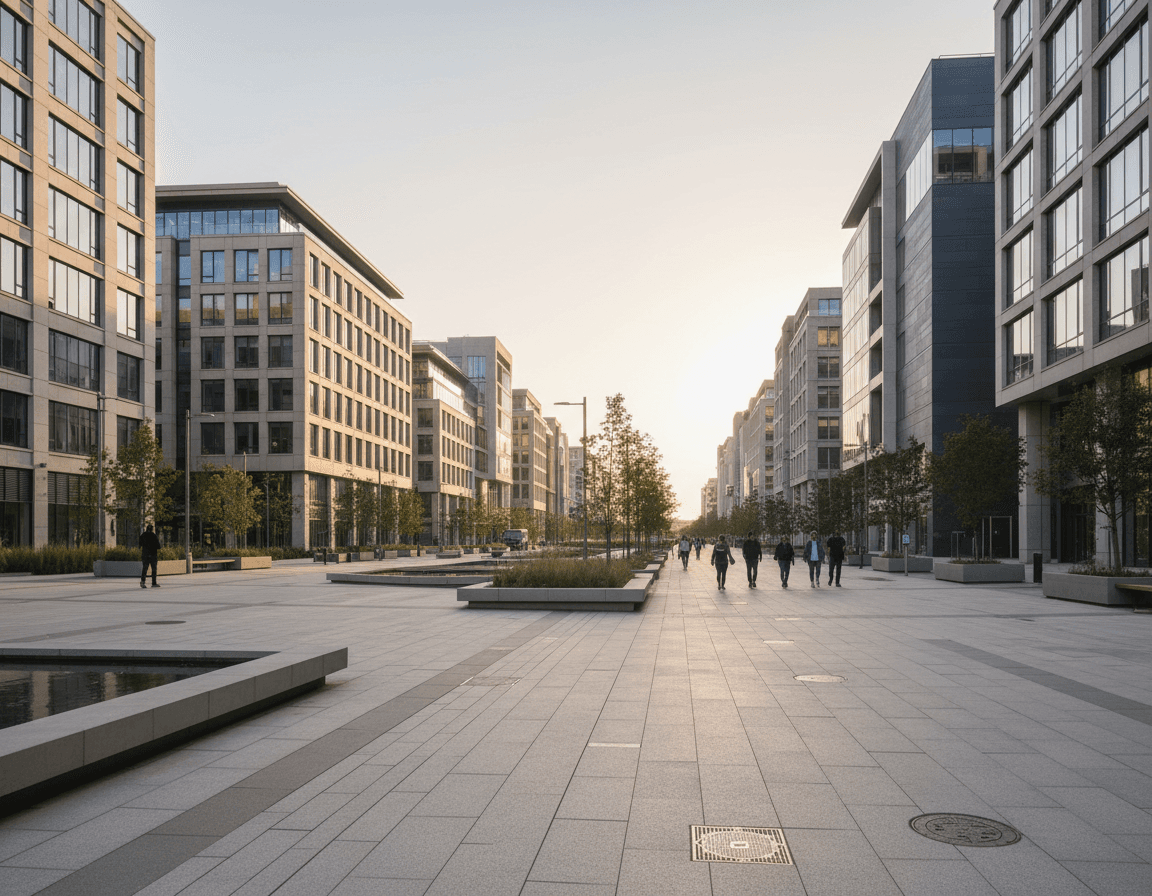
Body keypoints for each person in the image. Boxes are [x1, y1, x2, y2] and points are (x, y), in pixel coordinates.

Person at [140, 523, 161, 589]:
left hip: (145, 554)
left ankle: (143, 581)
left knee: (145, 568)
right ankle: (153, 583)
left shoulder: (143, 535)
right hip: (153, 555)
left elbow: (140, 544)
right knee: (154, 569)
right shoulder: (154, 536)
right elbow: (158, 546)